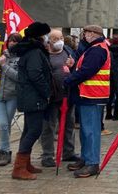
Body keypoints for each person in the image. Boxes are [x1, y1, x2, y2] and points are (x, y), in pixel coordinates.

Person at [63, 25, 111, 178]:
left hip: (93, 96)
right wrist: (73, 68)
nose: (85, 36)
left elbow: (86, 71)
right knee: (85, 131)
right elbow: (82, 69)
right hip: (87, 95)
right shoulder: (94, 48)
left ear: (94, 34)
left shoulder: (97, 49)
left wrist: (68, 80)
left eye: (87, 33)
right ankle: (85, 158)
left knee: (91, 131)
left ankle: (92, 163)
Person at [11, 22, 52, 180]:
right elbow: (35, 74)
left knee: (29, 130)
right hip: (33, 96)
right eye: (45, 35)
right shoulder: (35, 52)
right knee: (34, 130)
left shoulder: (32, 50)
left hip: (30, 95)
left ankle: (25, 163)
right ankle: (19, 167)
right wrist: (46, 92)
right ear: (40, 36)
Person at [40, 29, 79, 168]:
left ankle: (68, 152)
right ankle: (47, 155)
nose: (59, 41)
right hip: (52, 97)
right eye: (56, 39)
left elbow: (76, 70)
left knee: (69, 124)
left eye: (61, 37)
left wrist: (72, 66)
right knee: (49, 126)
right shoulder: (44, 55)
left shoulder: (68, 51)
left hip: (68, 95)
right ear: (49, 41)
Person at [0, 33, 22, 166]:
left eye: (15, 41)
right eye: (11, 41)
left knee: (6, 124)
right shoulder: (0, 55)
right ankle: (5, 150)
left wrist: (4, 66)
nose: (12, 44)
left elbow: (18, 77)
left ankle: (2, 150)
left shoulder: (21, 59)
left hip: (12, 96)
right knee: (3, 124)